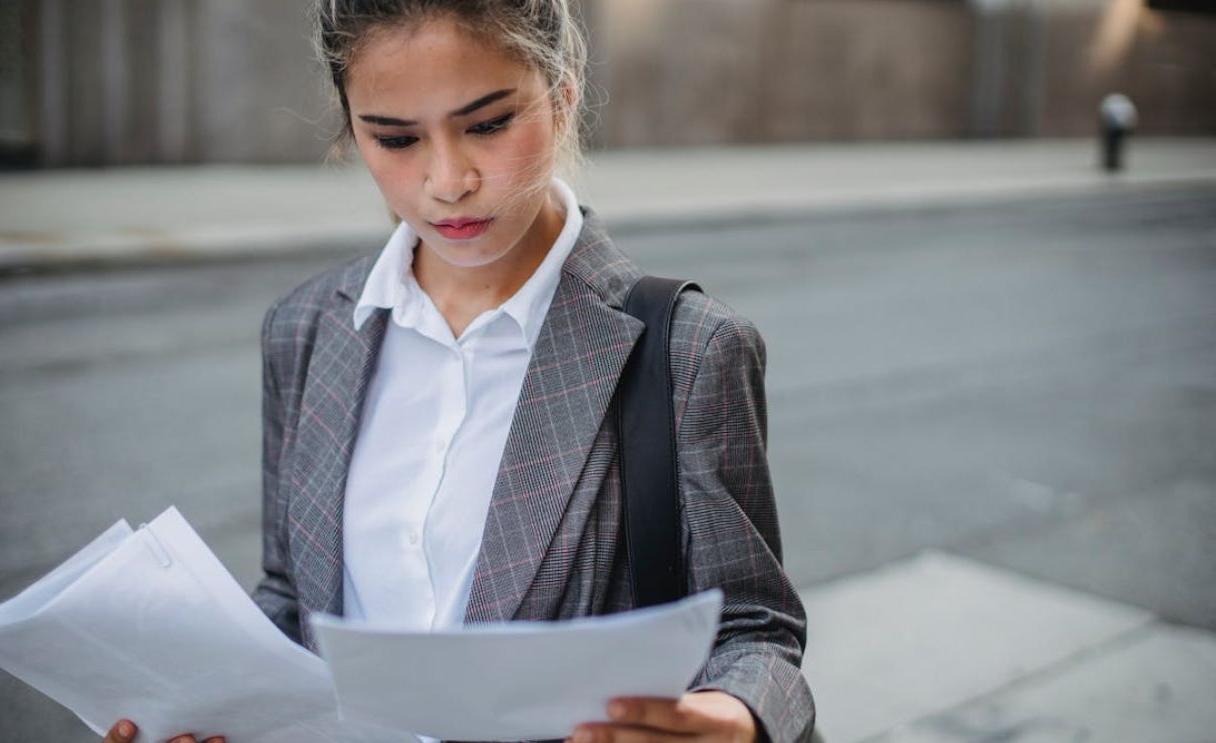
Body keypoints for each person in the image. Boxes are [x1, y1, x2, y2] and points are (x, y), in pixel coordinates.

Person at [103, 1, 815, 742]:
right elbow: (293, 596)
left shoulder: (690, 348)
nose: (447, 181)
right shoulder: (305, 328)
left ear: (563, 93)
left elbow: (753, 628)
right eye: (396, 138)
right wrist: (197, 706)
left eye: (488, 124)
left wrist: (736, 717)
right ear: (351, 129)